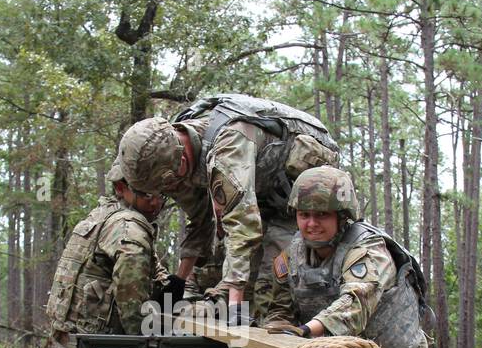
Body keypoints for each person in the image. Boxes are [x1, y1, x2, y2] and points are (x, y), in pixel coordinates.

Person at [245, 166, 431, 348]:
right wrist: (277, 327)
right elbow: (280, 307)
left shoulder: (368, 250)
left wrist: (307, 331)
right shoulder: (294, 253)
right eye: (304, 215)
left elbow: (355, 304)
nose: (311, 223)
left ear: (342, 217)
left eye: (322, 215)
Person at [116, 93, 339, 320]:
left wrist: (234, 306)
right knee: (237, 283)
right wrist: (179, 282)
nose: (171, 189)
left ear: (182, 162)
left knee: (268, 293)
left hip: (299, 202)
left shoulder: (227, 148)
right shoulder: (172, 156)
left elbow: (243, 226)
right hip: (260, 196)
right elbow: (200, 222)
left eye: (171, 182)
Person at [45, 160, 183, 344]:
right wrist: (152, 342)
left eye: (161, 195)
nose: (156, 202)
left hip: (73, 331)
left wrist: (167, 284)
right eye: (148, 195)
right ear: (120, 187)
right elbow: (133, 311)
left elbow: (149, 268)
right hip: (96, 341)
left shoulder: (105, 213)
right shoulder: (129, 229)